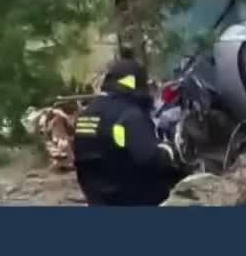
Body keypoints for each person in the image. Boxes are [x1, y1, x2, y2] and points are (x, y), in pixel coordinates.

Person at [74, 50, 184, 256]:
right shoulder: (129, 116)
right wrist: (172, 155)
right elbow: (148, 157)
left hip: (100, 203)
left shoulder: (87, 115)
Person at [74, 50, 185, 206]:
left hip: (99, 200)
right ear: (136, 85)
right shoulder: (129, 115)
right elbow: (151, 158)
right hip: (132, 200)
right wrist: (169, 151)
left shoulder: (85, 115)